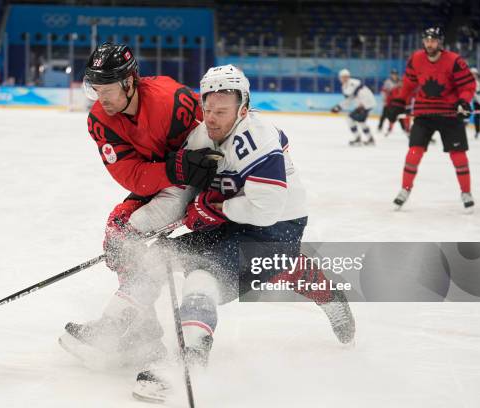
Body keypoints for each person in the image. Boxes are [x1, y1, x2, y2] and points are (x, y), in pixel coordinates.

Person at [132, 65, 356, 403]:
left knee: (204, 273)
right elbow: (182, 193)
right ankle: (127, 328)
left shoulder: (258, 139)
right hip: (236, 219)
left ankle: (189, 363)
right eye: (207, 109)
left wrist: (216, 208)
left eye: (222, 111)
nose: (211, 118)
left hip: (278, 225)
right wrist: (139, 226)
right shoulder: (201, 136)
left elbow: (266, 209)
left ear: (243, 109)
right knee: (161, 253)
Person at [58, 43, 222, 369]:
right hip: (165, 182)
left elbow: (216, 136)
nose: (100, 98)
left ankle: (130, 325)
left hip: (206, 185)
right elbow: (130, 174)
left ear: (130, 82)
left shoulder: (171, 99)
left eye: (106, 89)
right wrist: (174, 169)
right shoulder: (100, 120)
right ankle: (141, 330)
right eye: (95, 89)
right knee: (117, 231)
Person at [387, 27, 476, 212]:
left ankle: (466, 192)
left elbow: (468, 85)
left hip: (449, 115)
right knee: (413, 153)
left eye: (433, 40)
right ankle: (405, 189)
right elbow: (409, 85)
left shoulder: (454, 61)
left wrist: (463, 101)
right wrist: (398, 102)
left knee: (459, 157)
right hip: (424, 114)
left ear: (440, 42)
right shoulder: (416, 59)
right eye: (427, 40)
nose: (430, 43)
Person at [331, 69, 377, 146]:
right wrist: (339, 107)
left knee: (350, 119)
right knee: (361, 122)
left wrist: (362, 104)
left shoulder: (352, 83)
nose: (344, 78)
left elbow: (362, 93)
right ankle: (369, 139)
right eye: (342, 77)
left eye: (345, 77)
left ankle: (359, 138)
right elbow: (350, 99)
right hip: (365, 104)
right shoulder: (347, 86)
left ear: (348, 77)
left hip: (365, 104)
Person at [378, 69, 400, 134]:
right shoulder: (387, 82)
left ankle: (391, 127)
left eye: (395, 74)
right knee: (384, 115)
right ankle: (380, 127)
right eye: (393, 74)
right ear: (391, 75)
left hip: (396, 101)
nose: (394, 75)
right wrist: (384, 100)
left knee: (396, 115)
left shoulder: (400, 81)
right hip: (388, 101)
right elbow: (383, 91)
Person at [470, 68, 480, 139]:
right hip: (476, 102)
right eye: (472, 74)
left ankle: (477, 131)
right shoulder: (469, 81)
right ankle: (477, 131)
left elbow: (479, 93)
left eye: (474, 74)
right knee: (476, 117)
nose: (473, 75)